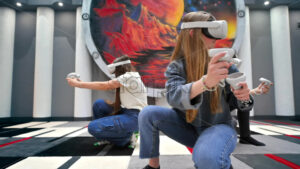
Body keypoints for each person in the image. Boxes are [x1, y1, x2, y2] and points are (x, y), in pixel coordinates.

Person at [138, 11, 254, 169]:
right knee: (148, 113)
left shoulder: (224, 65)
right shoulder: (177, 66)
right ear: (192, 33)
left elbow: (242, 104)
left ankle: (217, 158)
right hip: (187, 127)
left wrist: (244, 97)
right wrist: (205, 82)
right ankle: (153, 166)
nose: (215, 39)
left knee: (206, 158)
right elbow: (174, 97)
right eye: (209, 32)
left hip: (219, 127)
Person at [66, 55, 147, 147]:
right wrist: (80, 83)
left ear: (120, 68)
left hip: (135, 117)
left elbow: (106, 85)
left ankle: (126, 137)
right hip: (126, 112)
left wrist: (78, 84)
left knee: (93, 127)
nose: (115, 74)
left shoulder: (130, 76)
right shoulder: (128, 77)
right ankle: (114, 137)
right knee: (99, 104)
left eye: (115, 71)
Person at [237, 81, 273, 146]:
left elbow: (234, 95)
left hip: (222, 104)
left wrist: (256, 91)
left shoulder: (232, 71)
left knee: (245, 98)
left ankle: (245, 137)